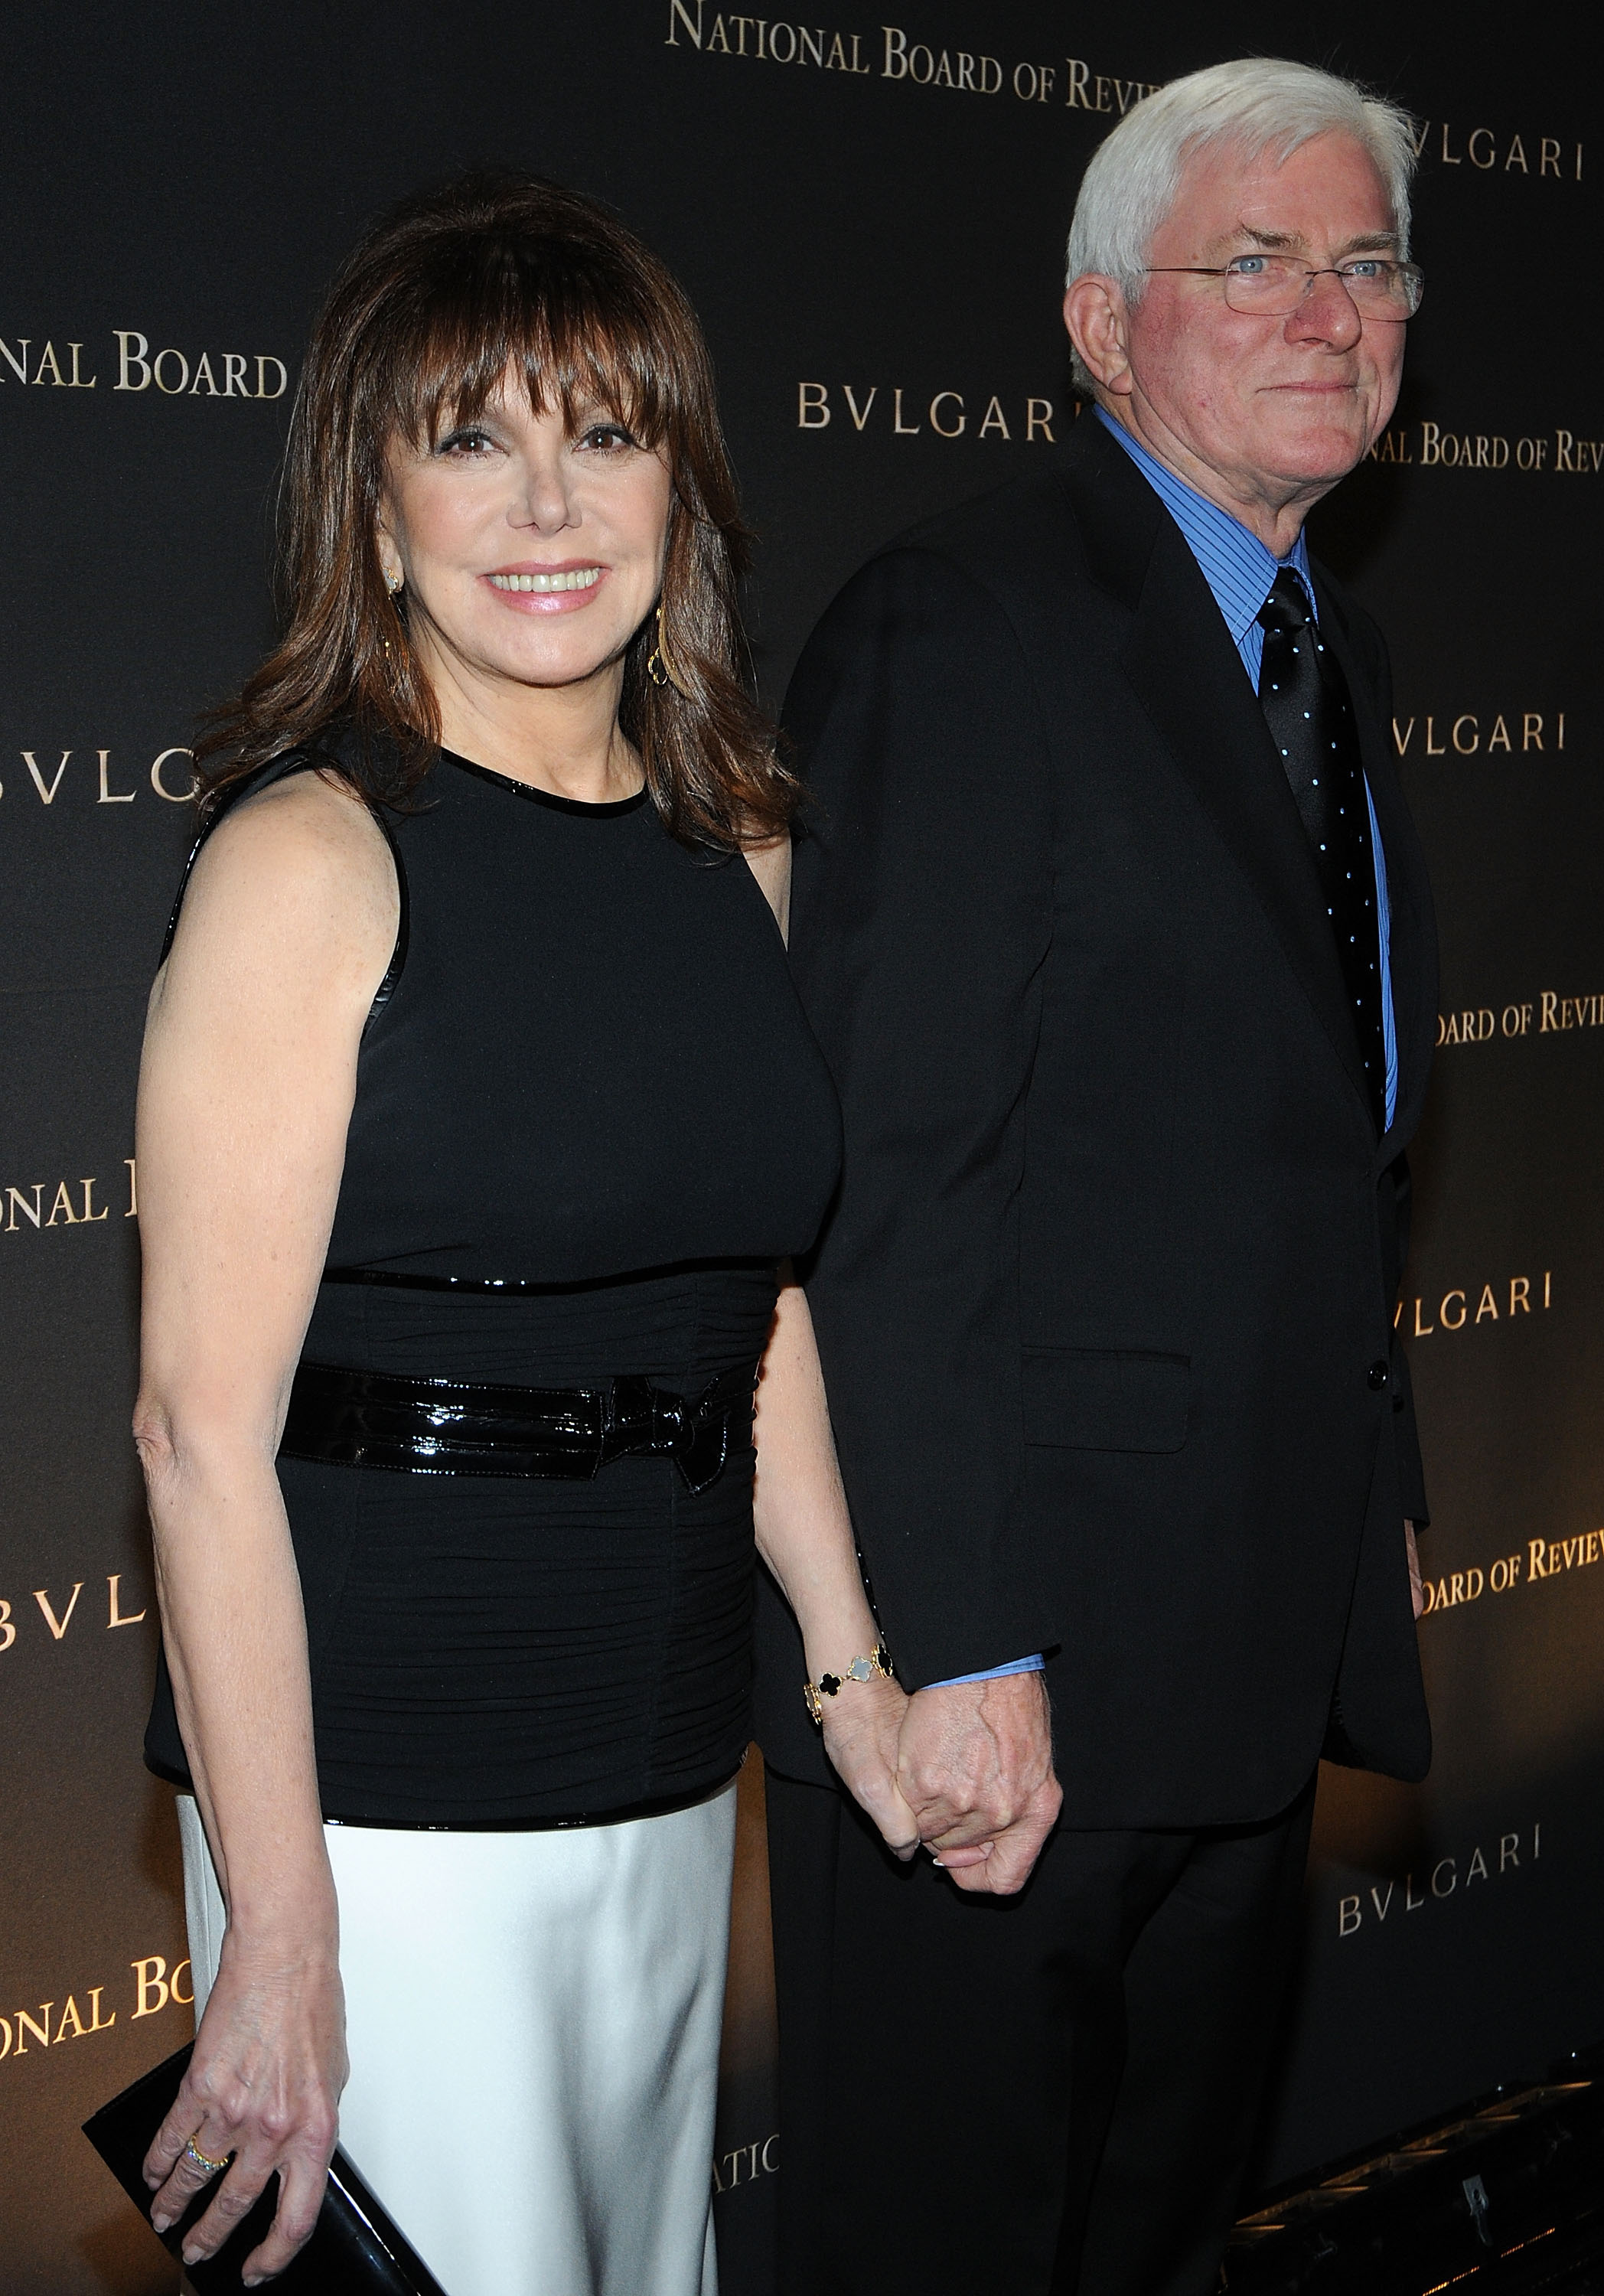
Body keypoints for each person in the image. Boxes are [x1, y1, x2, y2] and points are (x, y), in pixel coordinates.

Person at [131, 171, 919, 2296]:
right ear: (373, 513)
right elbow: (200, 1437)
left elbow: (753, 1310)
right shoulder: (310, 858)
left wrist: (848, 1684)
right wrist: (281, 1941)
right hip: (380, 1814)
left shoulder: (729, 842)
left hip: (661, 1764)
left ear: (683, 488)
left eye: (606, 430)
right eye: (469, 436)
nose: (545, 502)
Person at [756, 57, 1438, 2296]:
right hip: (1009, 1704)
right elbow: (886, 1170)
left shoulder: (1304, 650)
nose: (1328, 310)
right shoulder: (976, 621)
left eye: (1367, 263)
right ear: (1093, 322)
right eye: (1254, 261)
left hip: (1237, 1664)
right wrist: (956, 1646)